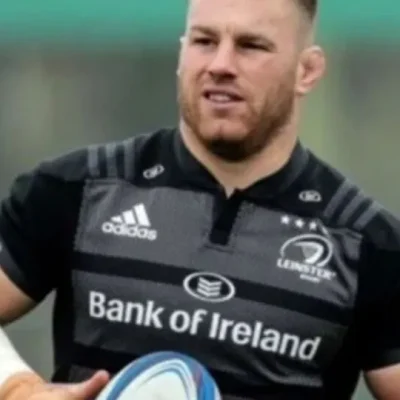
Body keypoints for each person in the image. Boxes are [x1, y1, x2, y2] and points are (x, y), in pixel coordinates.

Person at [0, 0, 399, 398]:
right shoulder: (79, 189)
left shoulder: (366, 241)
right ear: (182, 52)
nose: (221, 64)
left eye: (251, 45)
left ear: (306, 70)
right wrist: (18, 387)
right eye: (204, 41)